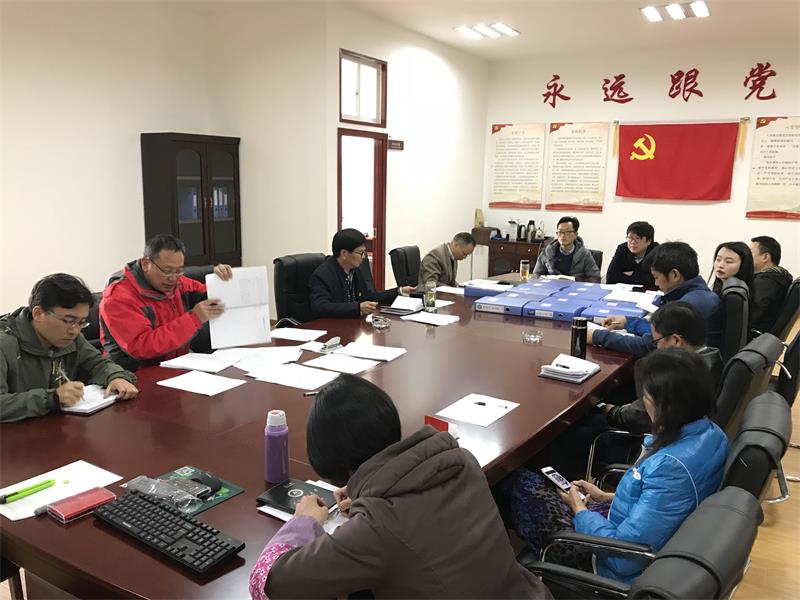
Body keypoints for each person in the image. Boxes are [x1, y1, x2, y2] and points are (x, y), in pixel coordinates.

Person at [249, 374, 550, 599]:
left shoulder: (377, 527)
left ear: (335, 465)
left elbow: (272, 583)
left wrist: (304, 522)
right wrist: (364, 493)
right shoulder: (460, 460)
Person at [498, 348, 728, 584]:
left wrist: (580, 510)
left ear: (665, 404)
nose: (643, 401)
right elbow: (664, 507)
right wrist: (606, 496)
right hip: (623, 529)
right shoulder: (713, 434)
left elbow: (624, 558)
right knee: (535, 485)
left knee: (514, 482)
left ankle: (509, 578)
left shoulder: (670, 467)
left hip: (603, 565)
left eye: (646, 395)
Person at [1, 274, 138, 422]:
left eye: (82, 322)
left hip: (56, 426)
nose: (75, 330)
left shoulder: (70, 337)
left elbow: (97, 363)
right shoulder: (5, 344)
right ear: (38, 314)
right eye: (68, 320)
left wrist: (115, 376)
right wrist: (51, 398)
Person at [100, 234, 233, 371]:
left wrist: (221, 281)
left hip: (176, 364)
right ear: (146, 263)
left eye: (179, 271)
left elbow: (207, 293)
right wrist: (194, 319)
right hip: (132, 374)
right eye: (167, 271)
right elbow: (143, 348)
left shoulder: (177, 283)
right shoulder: (118, 298)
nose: (173, 278)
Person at [590, 241, 721, 356]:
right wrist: (628, 322)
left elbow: (649, 345)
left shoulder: (688, 305)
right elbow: (660, 330)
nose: (656, 283)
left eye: (656, 277)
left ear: (674, 275)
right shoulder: (699, 294)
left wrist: (596, 336)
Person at [309, 229, 414, 318]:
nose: (363, 257)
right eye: (360, 252)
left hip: (350, 325)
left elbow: (367, 296)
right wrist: (357, 308)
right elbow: (321, 307)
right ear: (344, 254)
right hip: (330, 328)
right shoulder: (322, 275)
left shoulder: (354, 269)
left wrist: (399, 291)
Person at [749, 236, 794, 333]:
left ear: (765, 257)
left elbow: (750, 316)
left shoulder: (766, 282)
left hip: (754, 337)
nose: (746, 257)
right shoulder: (778, 278)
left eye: (750, 253)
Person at [533, 216, 600, 279]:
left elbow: (595, 278)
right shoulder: (547, 252)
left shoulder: (584, 254)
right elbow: (536, 274)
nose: (562, 235)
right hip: (552, 286)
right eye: (560, 232)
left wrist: (576, 280)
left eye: (568, 232)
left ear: (575, 235)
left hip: (575, 286)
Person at [605, 221, 659, 287]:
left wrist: (632, 274)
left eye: (637, 238)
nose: (633, 242)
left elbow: (653, 280)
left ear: (649, 241)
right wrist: (639, 276)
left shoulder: (657, 252)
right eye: (630, 238)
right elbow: (610, 276)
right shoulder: (622, 249)